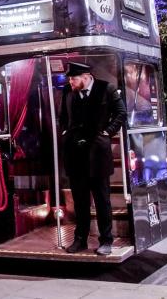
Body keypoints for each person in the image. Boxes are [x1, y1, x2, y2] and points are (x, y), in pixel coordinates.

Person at [58, 62, 127, 256]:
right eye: (70, 79)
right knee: (80, 201)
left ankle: (106, 240)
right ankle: (80, 240)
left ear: (86, 77)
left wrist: (108, 132)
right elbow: (63, 116)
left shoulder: (106, 88)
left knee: (102, 200)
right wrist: (65, 132)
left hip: (97, 153)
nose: (71, 82)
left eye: (74, 79)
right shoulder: (68, 91)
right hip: (75, 153)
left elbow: (121, 113)